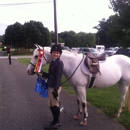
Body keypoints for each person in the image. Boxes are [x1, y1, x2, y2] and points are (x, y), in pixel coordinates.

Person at [41, 44, 64, 130]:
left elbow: (58, 77)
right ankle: (55, 120)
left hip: (55, 87)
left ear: (60, 54)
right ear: (51, 53)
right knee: (51, 105)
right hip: (51, 86)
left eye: (57, 53)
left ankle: (56, 122)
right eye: (54, 52)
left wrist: (56, 89)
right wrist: (42, 73)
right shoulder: (53, 62)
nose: (56, 54)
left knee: (55, 105)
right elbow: (51, 75)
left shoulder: (59, 63)